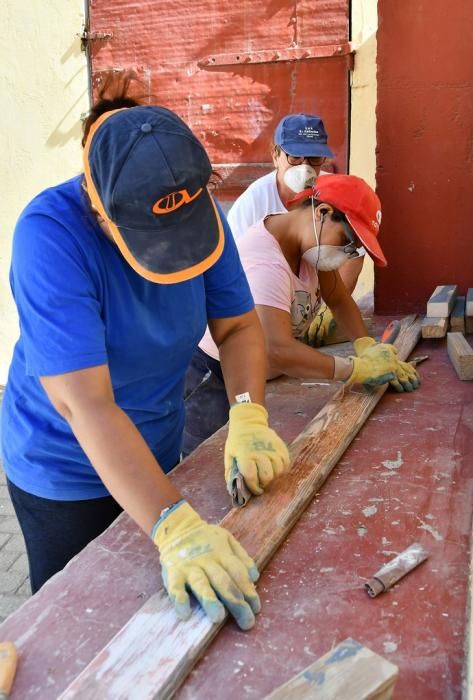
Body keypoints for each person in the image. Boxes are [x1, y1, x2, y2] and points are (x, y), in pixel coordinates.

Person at [1, 80, 290, 631]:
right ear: (99, 204)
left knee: (160, 614)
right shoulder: (49, 235)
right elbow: (85, 404)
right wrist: (174, 525)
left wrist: (248, 413)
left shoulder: (197, 208)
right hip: (65, 466)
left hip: (156, 440)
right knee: (78, 626)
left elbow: (236, 327)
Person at [183, 175, 420, 455]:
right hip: (216, 376)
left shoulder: (306, 246)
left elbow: (338, 297)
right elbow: (276, 350)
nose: (346, 253)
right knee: (206, 462)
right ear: (322, 212)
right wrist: (355, 369)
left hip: (260, 374)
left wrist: (366, 346)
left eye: (353, 249)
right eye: (347, 240)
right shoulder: (265, 263)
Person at [227, 113, 365, 313]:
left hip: (310, 309)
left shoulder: (335, 193)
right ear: (275, 155)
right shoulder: (253, 203)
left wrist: (327, 313)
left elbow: (354, 254)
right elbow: (232, 270)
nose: (305, 167)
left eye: (314, 158)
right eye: (294, 157)